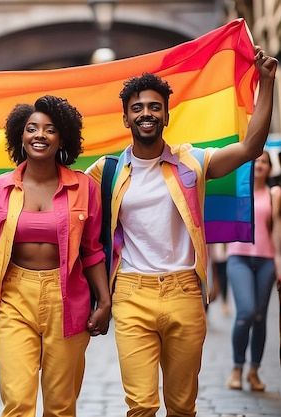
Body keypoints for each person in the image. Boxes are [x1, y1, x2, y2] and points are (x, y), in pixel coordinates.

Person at [86, 47, 277, 416]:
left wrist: (266, 82)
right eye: (138, 108)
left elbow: (252, 146)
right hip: (130, 294)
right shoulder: (105, 171)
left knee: (182, 406)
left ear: (166, 115)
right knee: (140, 405)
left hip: (184, 292)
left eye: (154, 107)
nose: (146, 113)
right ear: (126, 118)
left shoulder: (193, 162)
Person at [0, 95, 111, 417]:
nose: (40, 135)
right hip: (14, 297)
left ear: (62, 137)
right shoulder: (0, 187)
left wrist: (104, 302)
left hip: (68, 297)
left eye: (49, 129)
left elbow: (92, 250)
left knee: (61, 406)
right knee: (17, 401)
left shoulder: (84, 187)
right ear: (20, 136)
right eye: (31, 128)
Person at [226, 150, 279, 391]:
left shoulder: (274, 194)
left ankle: (254, 371)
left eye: (264, 162)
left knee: (260, 317)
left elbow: (276, 231)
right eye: (255, 160)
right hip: (238, 257)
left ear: (270, 168)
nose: (259, 165)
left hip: (266, 260)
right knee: (246, 312)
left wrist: (279, 263)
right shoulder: (238, 191)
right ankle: (237, 368)